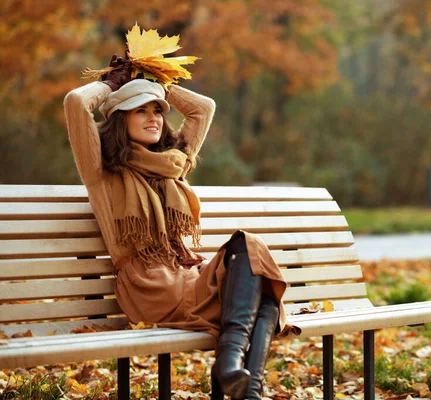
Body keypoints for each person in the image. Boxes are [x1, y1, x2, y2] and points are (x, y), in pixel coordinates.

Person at [64, 54, 296, 399]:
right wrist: (112, 84)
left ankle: (240, 379)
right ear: (118, 118)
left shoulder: (174, 164)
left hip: (187, 274)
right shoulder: (102, 171)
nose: (154, 117)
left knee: (255, 265)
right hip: (150, 284)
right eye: (140, 109)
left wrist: (156, 81)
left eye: (157, 110)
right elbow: (75, 103)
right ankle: (235, 374)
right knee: (250, 255)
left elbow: (203, 108)